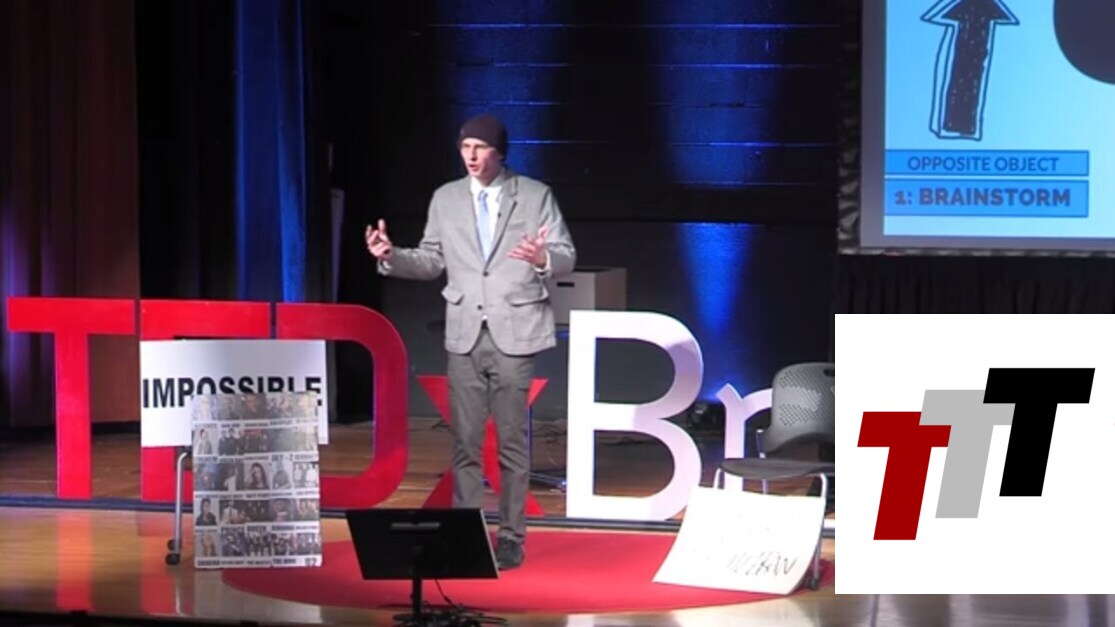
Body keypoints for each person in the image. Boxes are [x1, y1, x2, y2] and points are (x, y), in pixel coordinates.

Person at [364, 113, 575, 570]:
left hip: (514, 331)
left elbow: (566, 255)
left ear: (500, 152)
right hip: (464, 333)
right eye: (465, 148)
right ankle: (465, 535)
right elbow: (431, 260)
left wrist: (543, 257)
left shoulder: (534, 195)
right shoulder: (446, 199)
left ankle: (512, 537)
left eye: (480, 148)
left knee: (512, 443)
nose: (472, 156)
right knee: (465, 443)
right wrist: (391, 256)